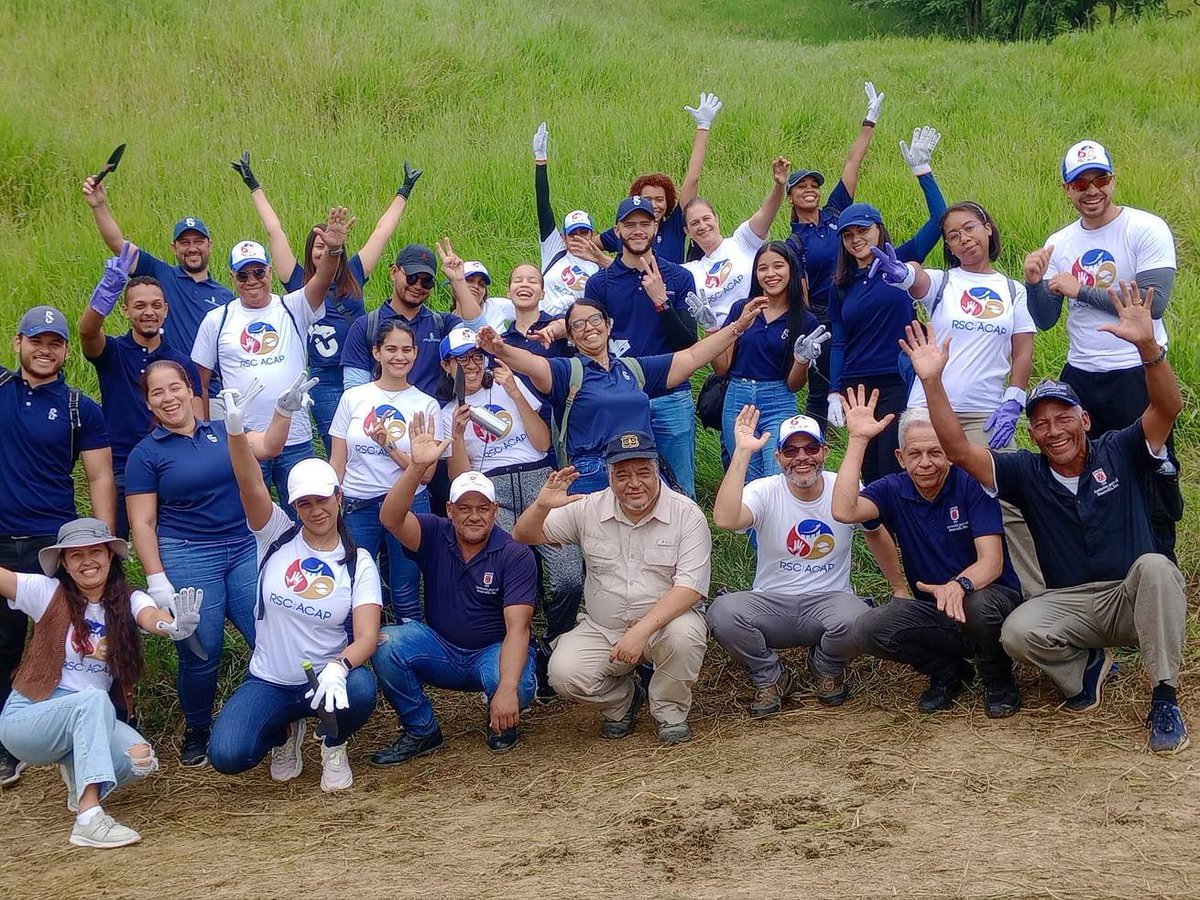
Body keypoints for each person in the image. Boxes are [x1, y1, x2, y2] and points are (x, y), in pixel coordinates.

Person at [902, 281, 1188, 753]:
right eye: (1041, 423)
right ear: (1031, 433)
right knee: (1017, 631)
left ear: (1085, 420)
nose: (1054, 431)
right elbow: (957, 449)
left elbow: (1167, 407)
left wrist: (1147, 348)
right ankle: (1087, 671)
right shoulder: (1025, 472)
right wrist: (932, 381)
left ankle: (1164, 697)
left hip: (1131, 597)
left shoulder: (1120, 449)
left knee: (1156, 567)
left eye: (1064, 418)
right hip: (1071, 605)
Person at [125, 362, 303, 766]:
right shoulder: (145, 454)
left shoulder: (223, 430)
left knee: (267, 636)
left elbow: (269, 446)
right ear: (148, 402)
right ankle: (198, 728)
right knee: (201, 651)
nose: (168, 398)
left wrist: (283, 411)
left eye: (175, 388)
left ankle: (282, 723)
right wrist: (156, 578)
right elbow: (143, 522)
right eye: (157, 392)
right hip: (189, 554)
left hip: (243, 547)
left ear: (190, 390)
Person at [869, 200, 1043, 596]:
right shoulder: (944, 283)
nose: (963, 239)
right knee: (927, 496)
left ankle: (1033, 595)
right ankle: (928, 591)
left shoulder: (1013, 291)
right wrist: (902, 273)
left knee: (1009, 500)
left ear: (987, 227)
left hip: (986, 414)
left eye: (969, 228)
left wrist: (1014, 399)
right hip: (929, 410)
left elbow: (1022, 351)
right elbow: (916, 279)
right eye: (952, 235)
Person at [0, 518, 199, 848]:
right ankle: (89, 817)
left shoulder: (127, 601)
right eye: (76, 555)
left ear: (110, 556)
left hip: (86, 716)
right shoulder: (45, 592)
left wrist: (172, 625)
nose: (87, 561)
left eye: (95, 552)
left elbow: (150, 616)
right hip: (28, 719)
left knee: (140, 760)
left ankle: (78, 776)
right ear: (64, 563)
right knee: (93, 699)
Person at [1024, 139, 1181, 557]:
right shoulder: (1059, 242)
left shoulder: (1145, 228)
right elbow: (1045, 318)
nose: (1092, 191)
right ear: (1067, 189)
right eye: (1080, 184)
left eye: (1100, 179)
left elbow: (1153, 303)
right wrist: (1034, 283)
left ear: (1113, 179)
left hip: (1135, 370)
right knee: (1087, 473)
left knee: (1149, 467)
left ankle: (1160, 564)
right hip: (1082, 374)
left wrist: (1081, 289)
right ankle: (1106, 565)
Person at [209, 425, 382, 792]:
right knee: (228, 754)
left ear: (338, 497)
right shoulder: (275, 534)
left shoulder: (358, 562)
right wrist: (236, 432)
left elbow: (367, 636)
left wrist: (339, 667)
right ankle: (285, 732)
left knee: (362, 688)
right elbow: (250, 484)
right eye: (305, 503)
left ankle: (333, 741)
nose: (316, 510)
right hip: (270, 680)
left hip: (325, 678)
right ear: (294, 507)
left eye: (322, 499)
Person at [833, 394, 1024, 717]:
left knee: (977, 605)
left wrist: (959, 585)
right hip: (935, 608)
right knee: (867, 628)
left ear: (948, 453)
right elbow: (844, 510)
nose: (925, 463)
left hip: (988, 600)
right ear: (900, 457)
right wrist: (858, 440)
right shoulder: (892, 489)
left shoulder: (971, 484)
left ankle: (998, 679)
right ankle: (948, 671)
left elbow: (992, 563)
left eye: (935, 452)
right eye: (915, 454)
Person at [514, 431, 710, 745]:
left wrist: (640, 631)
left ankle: (670, 712)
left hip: (665, 624)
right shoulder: (588, 507)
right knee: (564, 673)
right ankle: (623, 701)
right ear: (609, 477)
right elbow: (524, 535)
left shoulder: (687, 514)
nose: (634, 483)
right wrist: (541, 505)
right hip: (604, 628)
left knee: (684, 636)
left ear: (656, 471)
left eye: (643, 473)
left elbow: (689, 588)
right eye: (623, 475)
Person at [708, 408, 909, 715]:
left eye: (811, 448)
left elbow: (875, 533)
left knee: (861, 619)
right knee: (722, 613)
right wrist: (743, 452)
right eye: (790, 450)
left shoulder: (843, 487)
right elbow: (725, 519)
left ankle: (826, 666)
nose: (801, 457)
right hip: (772, 603)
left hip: (831, 601)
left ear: (824, 452)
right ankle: (771, 676)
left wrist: (899, 589)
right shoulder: (764, 490)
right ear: (778, 458)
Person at [370, 416, 538, 763]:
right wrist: (417, 467)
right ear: (450, 510)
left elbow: (518, 628)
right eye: (464, 508)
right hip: (441, 648)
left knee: (517, 685)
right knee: (386, 643)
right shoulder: (434, 532)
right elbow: (390, 518)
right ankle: (422, 730)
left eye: (482, 508)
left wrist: (506, 689)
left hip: (492, 652)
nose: (474, 516)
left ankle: (501, 716)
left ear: (495, 511)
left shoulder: (515, 553)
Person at [478, 295, 768, 495]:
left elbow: (692, 357)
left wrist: (737, 327)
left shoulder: (633, 369)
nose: (588, 327)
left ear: (608, 325)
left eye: (595, 319)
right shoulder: (567, 371)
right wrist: (500, 349)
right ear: (571, 336)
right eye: (578, 324)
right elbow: (532, 364)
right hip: (594, 475)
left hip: (643, 469)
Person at [230, 150, 422, 451]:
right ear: (310, 252)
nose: (322, 251)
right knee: (339, 446)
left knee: (372, 442)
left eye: (328, 246)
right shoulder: (297, 281)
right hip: (324, 379)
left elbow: (382, 233)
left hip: (363, 368)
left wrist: (404, 190)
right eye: (317, 246)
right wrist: (253, 185)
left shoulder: (354, 272)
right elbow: (274, 231)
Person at [0, 305, 114, 785]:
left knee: (70, 640)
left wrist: (102, 541)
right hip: (1, 539)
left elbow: (100, 475)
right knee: (3, 642)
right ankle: (8, 745)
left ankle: (92, 728)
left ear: (67, 351)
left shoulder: (79, 407)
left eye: (55, 343)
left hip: (54, 542)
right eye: (36, 340)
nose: (45, 350)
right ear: (18, 343)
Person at [437, 327, 583, 699]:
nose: (471, 365)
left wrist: (516, 392)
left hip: (537, 480)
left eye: (475, 356)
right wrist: (457, 434)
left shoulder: (509, 385)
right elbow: (460, 478)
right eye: (460, 360)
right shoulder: (445, 412)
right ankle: (521, 652)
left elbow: (543, 442)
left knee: (568, 577)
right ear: (446, 365)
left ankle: (556, 641)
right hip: (489, 490)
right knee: (503, 579)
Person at [191, 207, 352, 502]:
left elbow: (323, 280)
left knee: (305, 513)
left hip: (296, 438)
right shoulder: (216, 320)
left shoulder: (293, 306)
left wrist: (333, 250)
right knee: (252, 517)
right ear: (231, 276)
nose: (251, 280)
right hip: (245, 440)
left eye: (258, 272)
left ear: (269, 271)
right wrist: (202, 435)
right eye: (243, 274)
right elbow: (197, 383)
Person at [826, 128, 947, 482]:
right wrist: (833, 391)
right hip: (856, 386)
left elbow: (938, 220)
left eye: (863, 231)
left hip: (896, 379)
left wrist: (923, 171)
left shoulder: (901, 262)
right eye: (848, 235)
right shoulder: (841, 284)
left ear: (879, 229)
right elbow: (839, 341)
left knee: (895, 467)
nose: (856, 240)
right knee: (866, 471)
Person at [79, 244, 201, 538]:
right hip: (122, 469)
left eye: (156, 305)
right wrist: (105, 294)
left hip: (171, 469)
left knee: (172, 545)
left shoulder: (181, 363)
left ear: (166, 310)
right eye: (140, 306)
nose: (149, 312)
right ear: (126, 311)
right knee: (115, 548)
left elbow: (197, 420)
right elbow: (87, 332)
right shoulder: (112, 353)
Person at [584, 196, 700, 495]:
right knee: (629, 487)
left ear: (656, 227)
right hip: (623, 398)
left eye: (645, 224)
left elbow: (689, 342)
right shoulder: (599, 284)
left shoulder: (680, 277)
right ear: (617, 230)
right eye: (630, 224)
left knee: (681, 487)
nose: (638, 231)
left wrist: (661, 301)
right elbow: (590, 344)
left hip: (672, 396)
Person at [784, 81, 883, 424]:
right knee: (822, 388)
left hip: (859, 302)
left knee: (866, 375)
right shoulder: (793, 242)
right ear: (790, 197)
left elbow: (852, 164)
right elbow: (802, 294)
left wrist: (869, 121)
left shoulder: (836, 213)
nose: (810, 190)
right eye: (801, 187)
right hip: (825, 317)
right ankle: (812, 443)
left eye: (814, 185)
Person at [328, 321, 440, 624]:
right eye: (391, 349)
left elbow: (425, 474)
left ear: (416, 353)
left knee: (406, 588)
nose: (399, 357)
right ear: (377, 352)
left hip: (407, 505)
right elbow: (338, 460)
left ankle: (408, 645)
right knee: (354, 582)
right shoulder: (353, 398)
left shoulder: (427, 405)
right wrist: (333, 500)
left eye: (406, 350)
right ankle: (355, 646)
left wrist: (389, 445)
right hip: (358, 503)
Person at [710, 241, 827, 481]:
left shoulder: (805, 320)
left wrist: (802, 360)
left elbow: (794, 385)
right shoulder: (742, 309)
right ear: (755, 274)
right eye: (763, 268)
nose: (771, 274)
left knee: (777, 475)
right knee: (745, 477)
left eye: (778, 266)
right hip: (738, 399)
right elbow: (722, 367)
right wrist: (712, 330)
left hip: (778, 400)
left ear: (791, 270)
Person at [81, 177, 233, 355]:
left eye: (198, 242)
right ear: (174, 248)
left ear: (210, 245)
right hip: (167, 371)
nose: (192, 248)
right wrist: (99, 206)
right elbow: (118, 245)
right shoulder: (160, 274)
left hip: (211, 374)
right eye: (185, 243)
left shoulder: (226, 296)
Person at [598, 92, 722, 264]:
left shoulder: (675, 225)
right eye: (647, 199)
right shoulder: (625, 230)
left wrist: (703, 126)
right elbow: (587, 246)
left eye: (659, 199)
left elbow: (693, 178)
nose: (654, 205)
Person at [341, 244, 462, 396]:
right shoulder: (365, 326)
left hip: (434, 409)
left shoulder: (443, 324)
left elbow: (479, 337)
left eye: (427, 281)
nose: (418, 286)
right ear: (394, 272)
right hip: (382, 410)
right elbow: (354, 390)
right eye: (412, 277)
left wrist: (458, 281)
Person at [682, 157, 789, 327]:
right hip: (726, 336)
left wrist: (779, 186)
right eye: (694, 223)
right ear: (687, 232)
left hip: (763, 323)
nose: (702, 226)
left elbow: (766, 212)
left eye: (706, 218)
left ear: (717, 219)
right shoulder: (690, 271)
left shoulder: (742, 239)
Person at [531, 122, 610, 314]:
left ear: (593, 235)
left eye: (584, 232)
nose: (578, 237)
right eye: (573, 234)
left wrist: (600, 259)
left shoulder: (600, 265)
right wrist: (540, 160)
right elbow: (543, 205)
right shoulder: (555, 250)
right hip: (545, 321)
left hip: (579, 325)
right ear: (563, 237)